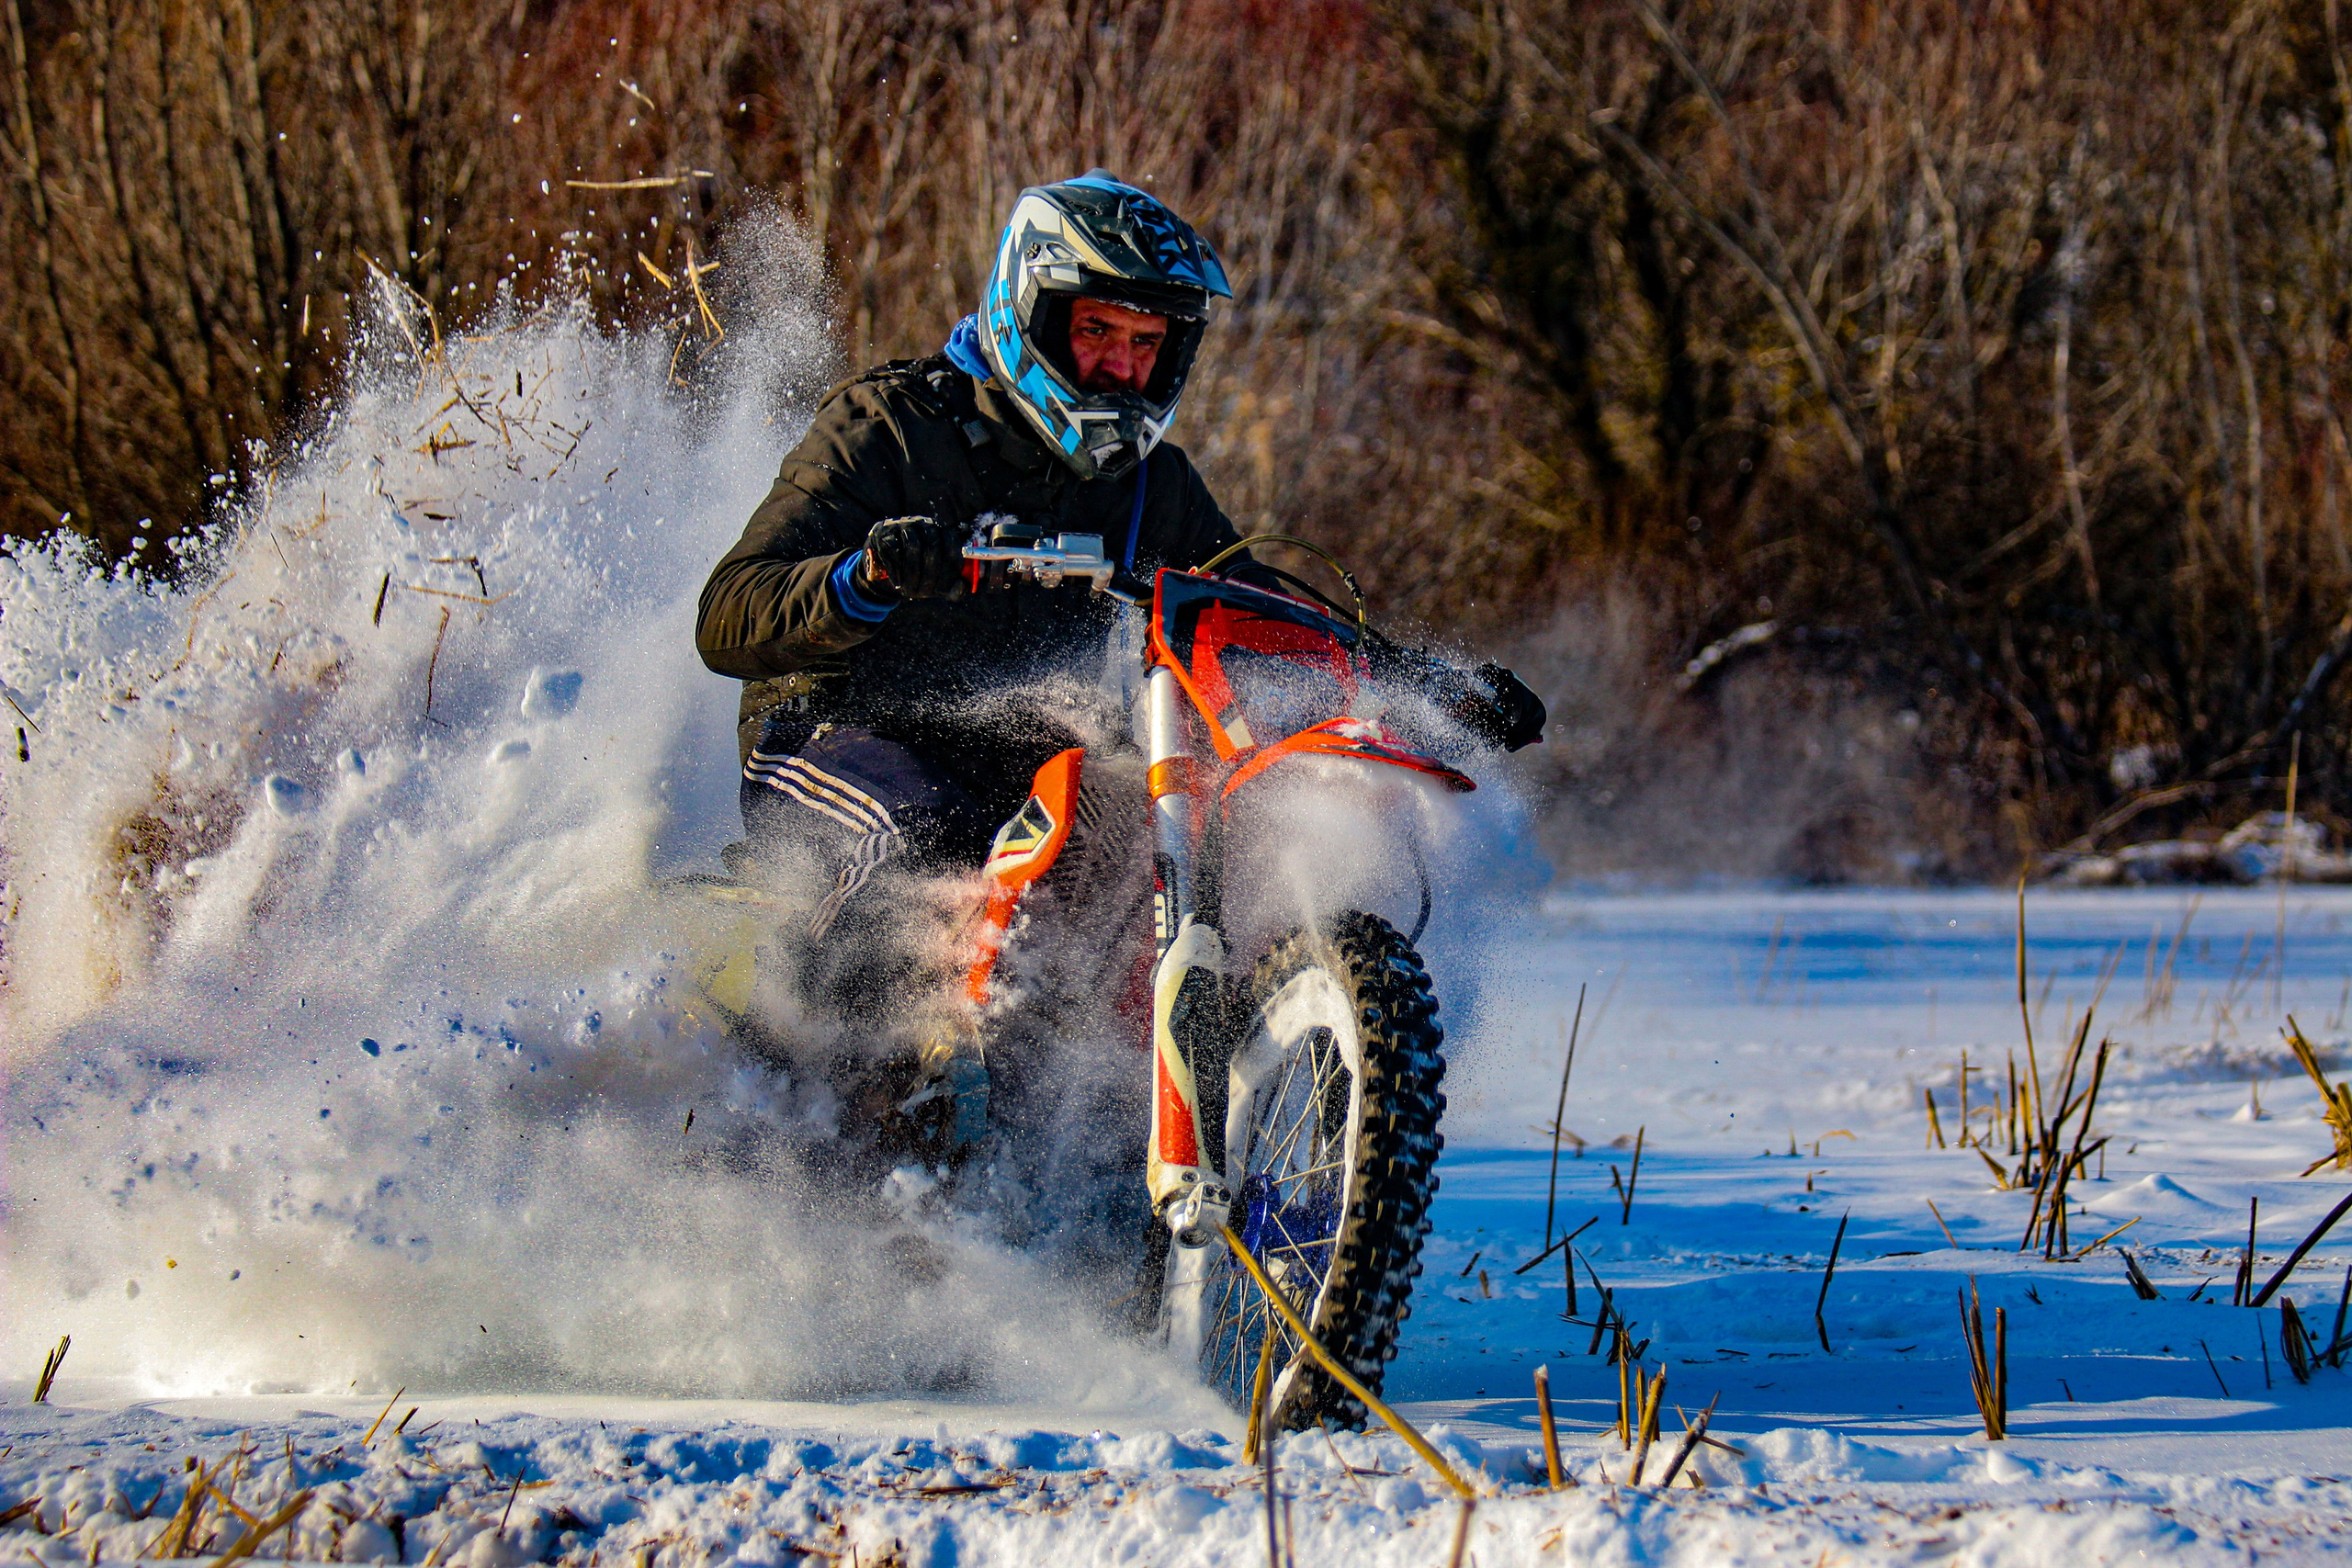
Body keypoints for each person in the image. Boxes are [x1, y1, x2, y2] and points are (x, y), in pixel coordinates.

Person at [695, 172, 1543, 1152]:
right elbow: (730, 615)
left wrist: (1426, 688)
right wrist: (870, 573)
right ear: (1028, 309)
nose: (1121, 369)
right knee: (918, 841)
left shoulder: (1152, 489)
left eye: (1147, 347)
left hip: (1019, 749)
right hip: (842, 731)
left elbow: (1261, 608)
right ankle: (826, 1136)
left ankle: (1087, 1158)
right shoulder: (892, 424)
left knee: (1147, 854)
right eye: (1098, 334)